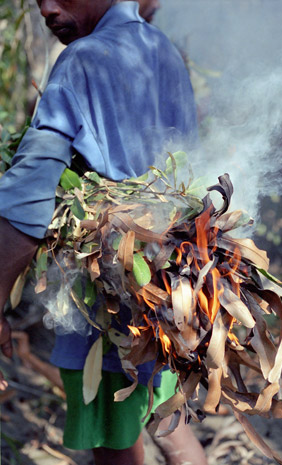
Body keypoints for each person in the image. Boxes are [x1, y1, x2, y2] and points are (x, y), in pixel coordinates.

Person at [0, 2, 206, 464]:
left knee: (115, 438)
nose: (47, 8)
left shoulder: (84, 58)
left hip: (110, 293)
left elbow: (30, 189)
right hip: (172, 288)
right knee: (169, 427)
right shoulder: (162, 49)